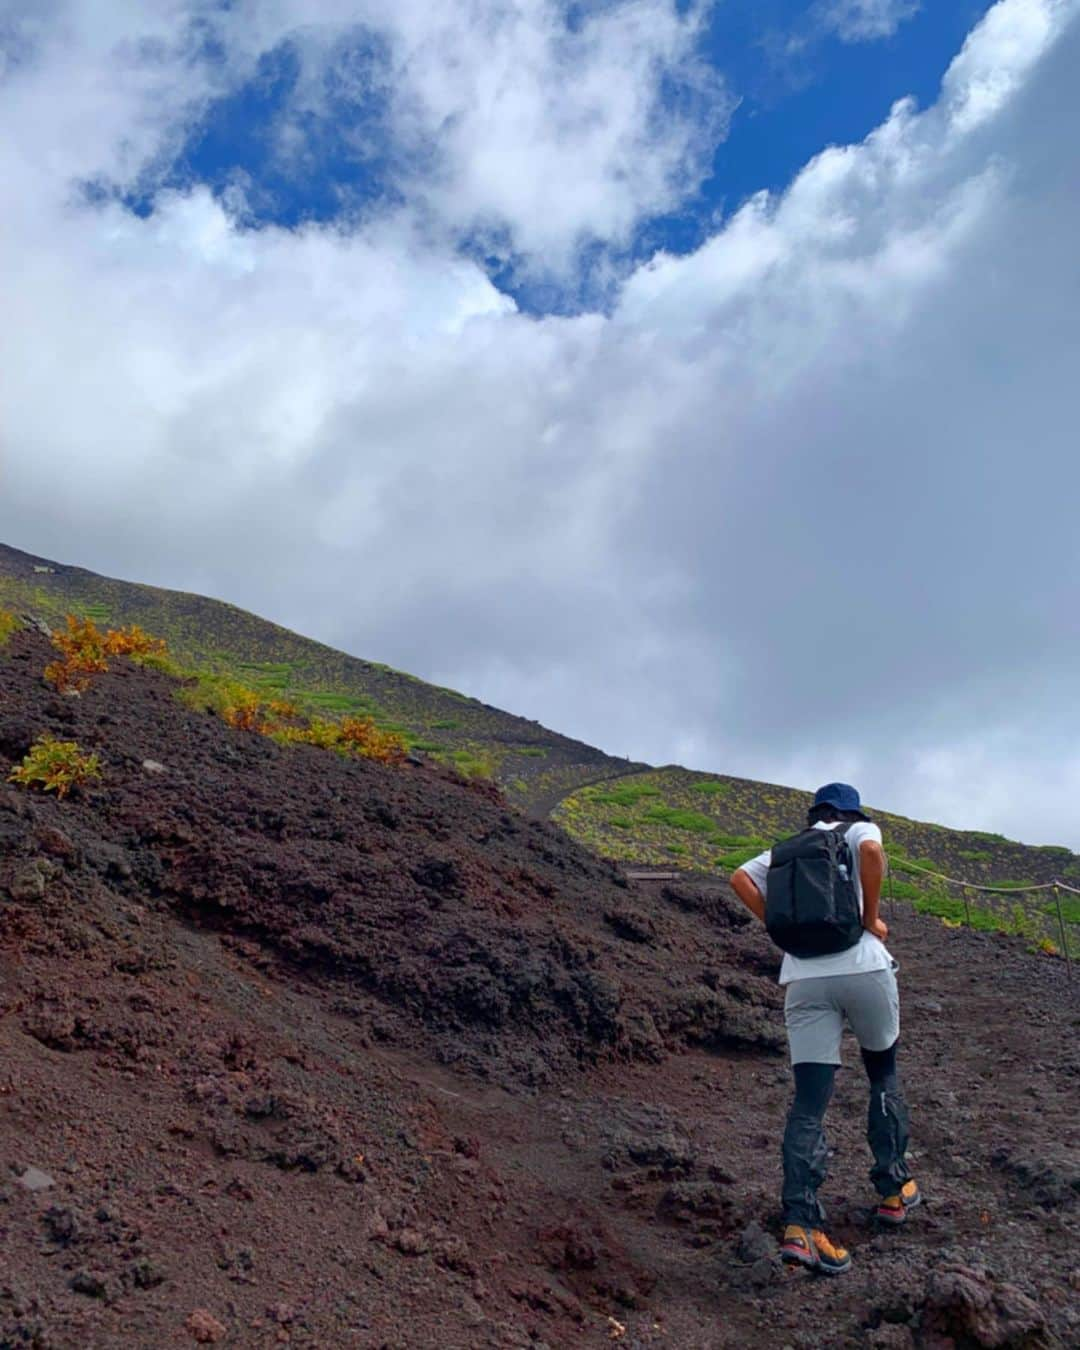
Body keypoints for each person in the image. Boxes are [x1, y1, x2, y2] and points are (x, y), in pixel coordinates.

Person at [730, 782, 919, 1275]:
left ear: (814, 813)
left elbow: (739, 879)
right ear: (850, 811)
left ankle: (802, 1227)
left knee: (809, 1102)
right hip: (863, 969)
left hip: (804, 979)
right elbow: (873, 851)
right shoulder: (859, 830)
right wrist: (869, 918)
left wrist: (783, 931)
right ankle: (893, 1190)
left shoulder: (787, 848)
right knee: (883, 1073)